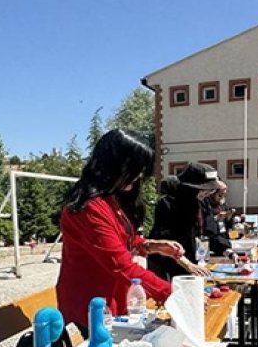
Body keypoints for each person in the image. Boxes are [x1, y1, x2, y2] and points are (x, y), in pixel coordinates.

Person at [57, 130, 181, 332]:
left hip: (112, 302)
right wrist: (172, 294)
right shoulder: (89, 208)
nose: (140, 175)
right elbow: (120, 264)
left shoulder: (110, 199)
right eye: (136, 168)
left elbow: (120, 240)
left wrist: (150, 246)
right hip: (92, 307)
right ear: (114, 165)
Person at [145, 162, 217, 281]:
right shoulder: (167, 204)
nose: (207, 193)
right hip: (171, 265)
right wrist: (186, 263)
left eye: (211, 190)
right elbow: (163, 240)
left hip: (195, 262)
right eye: (204, 190)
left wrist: (227, 251)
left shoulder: (202, 203)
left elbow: (211, 229)